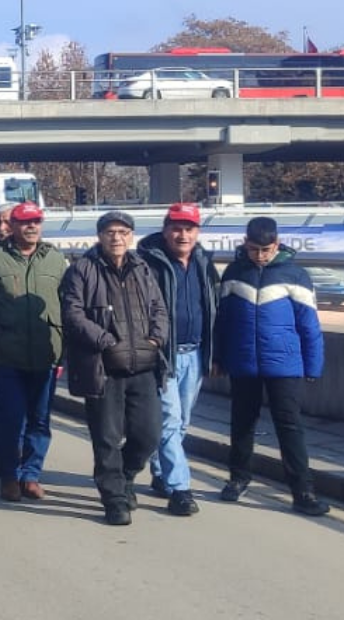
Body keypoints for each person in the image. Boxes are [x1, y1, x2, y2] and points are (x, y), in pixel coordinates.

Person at [214, 217, 330, 516]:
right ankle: (238, 479)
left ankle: (302, 491)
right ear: (245, 244)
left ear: (277, 245)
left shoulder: (296, 275)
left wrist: (313, 366)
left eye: (266, 249)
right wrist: (218, 357)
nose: (260, 255)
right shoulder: (234, 272)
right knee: (242, 425)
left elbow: (309, 326)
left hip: (285, 366)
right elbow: (222, 321)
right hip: (243, 363)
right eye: (254, 249)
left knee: (290, 428)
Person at [61, 210, 167, 526]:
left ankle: (125, 476)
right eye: (110, 232)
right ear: (100, 236)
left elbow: (159, 308)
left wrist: (157, 339)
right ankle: (114, 499)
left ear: (131, 236)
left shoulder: (143, 269)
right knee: (106, 437)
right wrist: (106, 340)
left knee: (148, 435)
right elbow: (72, 314)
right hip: (103, 367)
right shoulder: (82, 270)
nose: (116, 238)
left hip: (143, 365)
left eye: (123, 232)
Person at [136, 203, 219, 517]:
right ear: (165, 229)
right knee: (170, 420)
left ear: (197, 232)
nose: (182, 234)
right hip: (163, 355)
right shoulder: (148, 263)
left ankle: (160, 471)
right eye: (176, 228)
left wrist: (215, 353)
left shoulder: (202, 262)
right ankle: (181, 489)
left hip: (195, 353)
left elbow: (212, 310)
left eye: (189, 228)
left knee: (181, 421)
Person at [0, 202, 67, 502]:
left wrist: (64, 353)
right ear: (12, 226)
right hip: (7, 356)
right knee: (11, 419)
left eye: (37, 221)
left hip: (46, 355)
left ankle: (31, 475)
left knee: (40, 420)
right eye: (25, 222)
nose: (32, 227)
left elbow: (67, 306)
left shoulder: (55, 260)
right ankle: (9, 476)